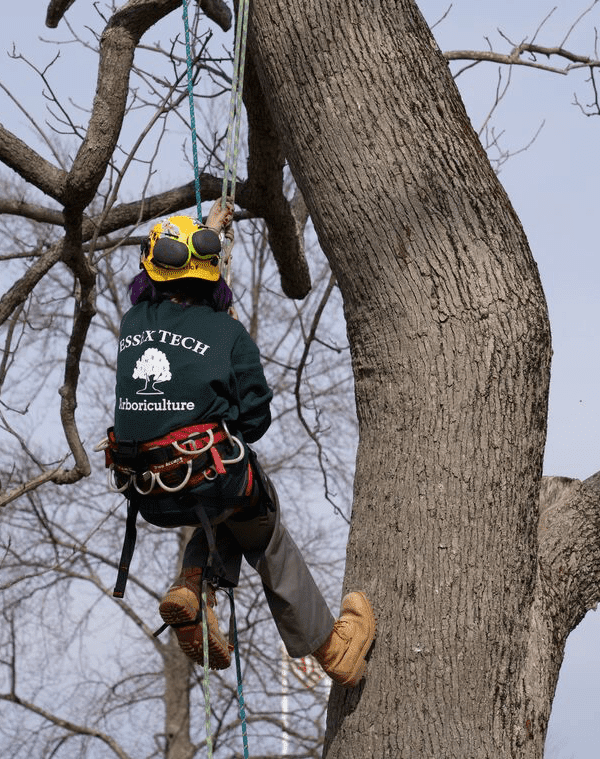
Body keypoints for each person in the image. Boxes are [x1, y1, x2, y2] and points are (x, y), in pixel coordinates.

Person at [108, 201, 376, 687]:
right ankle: (333, 650)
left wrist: (207, 230)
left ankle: (194, 586)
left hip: (146, 490)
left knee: (225, 501)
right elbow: (254, 421)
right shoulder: (226, 332)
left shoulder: (133, 324)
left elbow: (169, 288)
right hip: (203, 477)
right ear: (211, 276)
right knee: (258, 514)